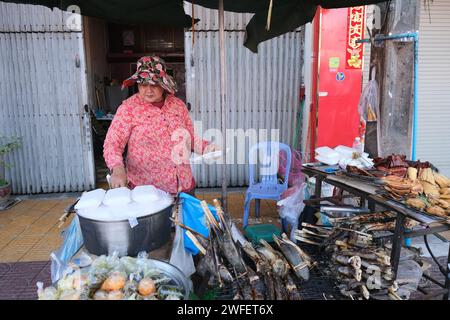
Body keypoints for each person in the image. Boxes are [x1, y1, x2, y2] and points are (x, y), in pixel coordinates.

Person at [103, 56, 218, 194]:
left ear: (163, 84)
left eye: (154, 85)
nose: (149, 90)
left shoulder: (178, 106)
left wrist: (207, 148)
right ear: (138, 84)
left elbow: (189, 138)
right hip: (147, 192)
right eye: (144, 85)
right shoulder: (128, 109)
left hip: (183, 184)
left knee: (184, 216)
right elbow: (112, 143)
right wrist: (117, 168)